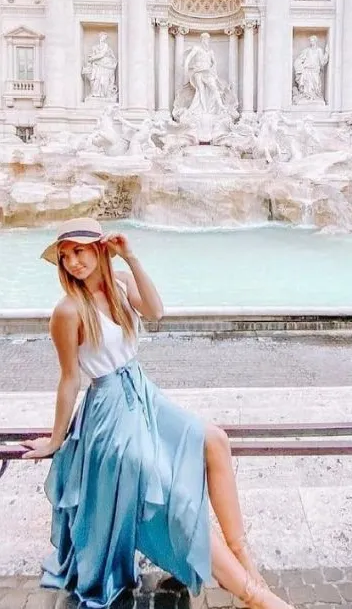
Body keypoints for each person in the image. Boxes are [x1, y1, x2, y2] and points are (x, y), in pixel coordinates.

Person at [23, 217, 293, 609]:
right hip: (109, 413)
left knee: (215, 438)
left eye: (79, 251)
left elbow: (156, 310)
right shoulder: (67, 311)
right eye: (65, 256)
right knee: (170, 494)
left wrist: (131, 259)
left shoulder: (118, 286)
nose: (73, 262)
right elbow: (69, 381)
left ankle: (243, 557)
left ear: (100, 249)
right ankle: (254, 596)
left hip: (143, 393)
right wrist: (55, 439)